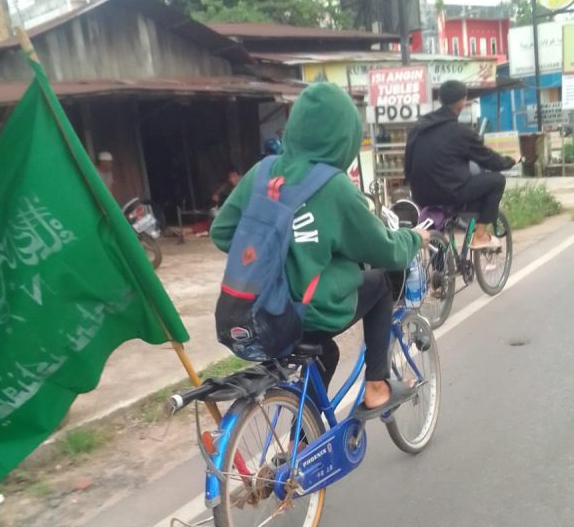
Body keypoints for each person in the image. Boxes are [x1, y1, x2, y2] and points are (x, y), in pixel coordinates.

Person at [211, 82, 429, 418]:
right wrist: (415, 238)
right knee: (379, 284)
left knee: (325, 354)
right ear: (345, 138)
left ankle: (303, 437)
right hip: (307, 311)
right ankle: (377, 386)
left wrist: (277, 257)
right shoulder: (335, 187)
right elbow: (387, 251)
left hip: (254, 309)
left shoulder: (262, 171)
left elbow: (222, 232)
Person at [405, 80, 516, 249]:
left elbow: (408, 162)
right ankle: (479, 236)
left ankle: (439, 271)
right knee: (497, 180)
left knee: (437, 234)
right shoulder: (461, 132)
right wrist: (510, 161)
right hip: (450, 193)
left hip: (420, 195)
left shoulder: (418, 127)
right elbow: (488, 159)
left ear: (441, 99)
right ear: (463, 101)